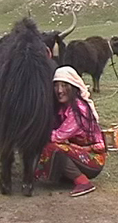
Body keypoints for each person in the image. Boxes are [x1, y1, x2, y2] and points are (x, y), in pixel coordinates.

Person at [35, 66, 107, 197]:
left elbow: (57, 136)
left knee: (52, 146)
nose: (59, 90)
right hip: (80, 152)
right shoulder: (63, 107)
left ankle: (83, 182)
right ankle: (66, 176)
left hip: (93, 158)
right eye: (56, 86)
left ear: (74, 87)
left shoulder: (78, 110)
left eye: (64, 86)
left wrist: (33, 132)